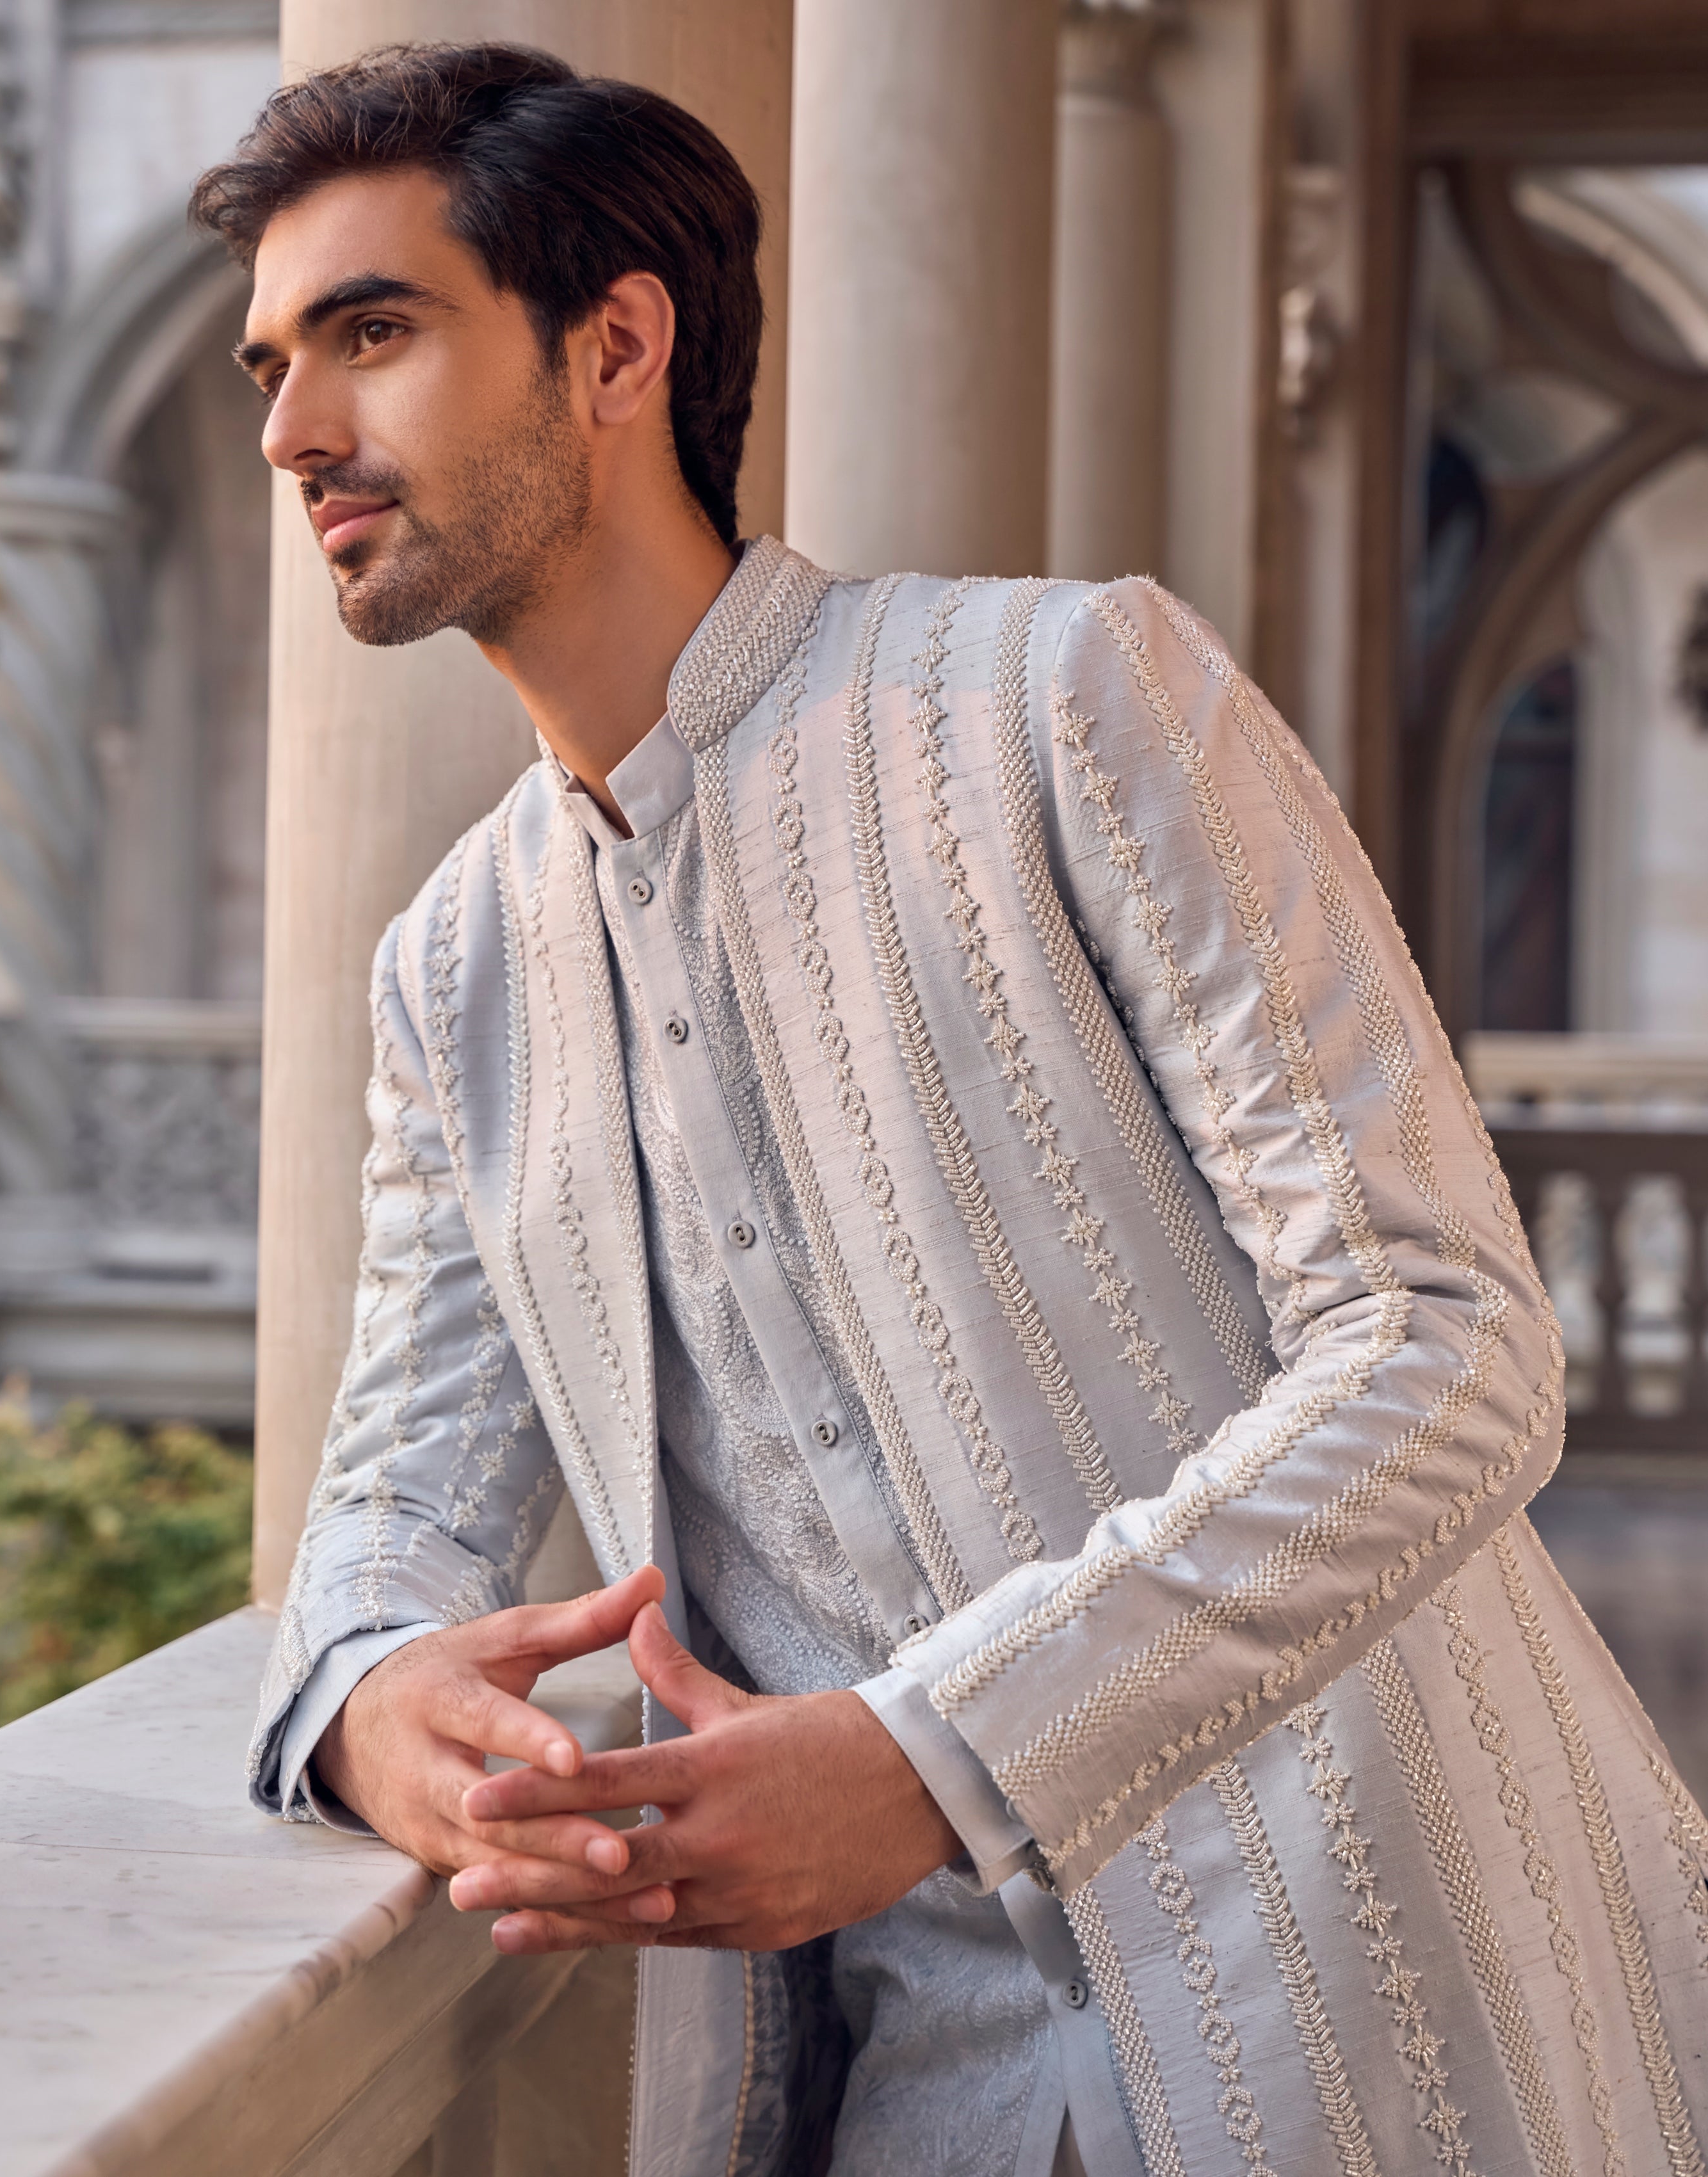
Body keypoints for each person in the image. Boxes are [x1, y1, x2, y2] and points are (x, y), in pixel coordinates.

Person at [194, 43, 1707, 2177]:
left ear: (616, 346)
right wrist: (373, 1701)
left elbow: (1445, 1339)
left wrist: (937, 1754)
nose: (291, 431)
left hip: (1391, 2028)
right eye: (273, 364)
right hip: (926, 2100)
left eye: (372, 332)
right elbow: (392, 1505)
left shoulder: (1063, 700)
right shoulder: (456, 972)